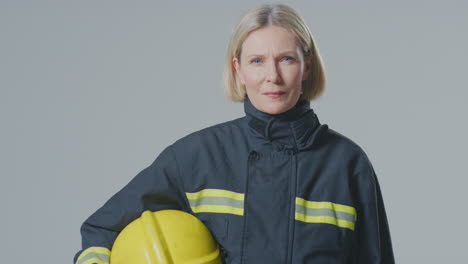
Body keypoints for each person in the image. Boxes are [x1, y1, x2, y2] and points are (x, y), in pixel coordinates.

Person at [74, 3, 395, 264]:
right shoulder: (196, 158)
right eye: (257, 61)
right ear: (238, 69)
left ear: (307, 66)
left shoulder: (347, 164)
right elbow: (101, 229)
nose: (272, 76)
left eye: (286, 59)